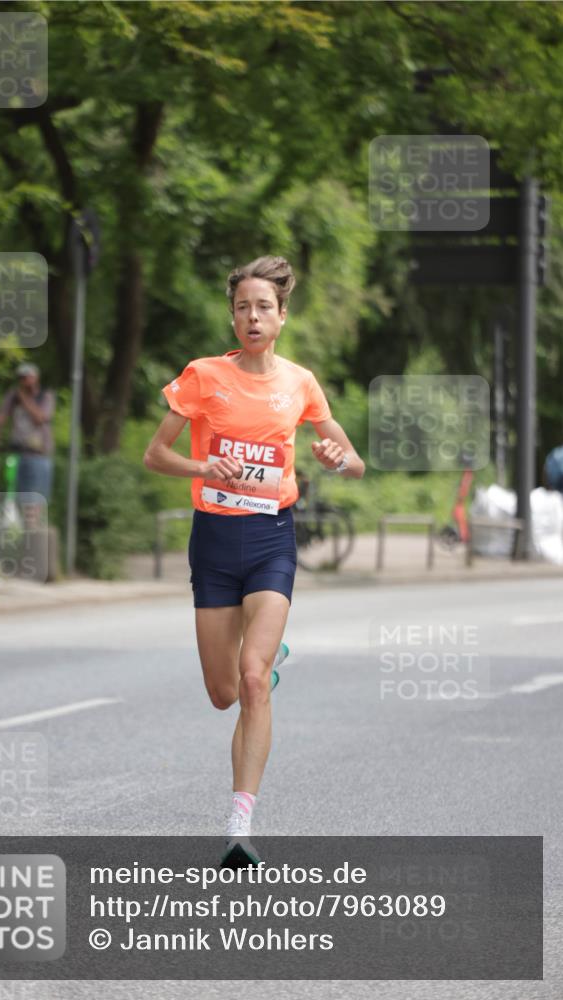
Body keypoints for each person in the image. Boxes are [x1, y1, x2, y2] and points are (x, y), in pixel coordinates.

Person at [143, 255, 365, 864]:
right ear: (233, 315)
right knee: (222, 692)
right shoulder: (203, 376)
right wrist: (200, 465)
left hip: (271, 539)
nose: (252, 316)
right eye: (242, 307)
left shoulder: (299, 383)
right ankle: (267, 663)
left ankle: (240, 826)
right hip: (213, 542)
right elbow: (155, 455)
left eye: (263, 307)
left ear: (282, 316)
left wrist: (333, 458)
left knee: (250, 679)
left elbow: (355, 461)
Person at [0, 363, 55, 527]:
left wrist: (24, 399)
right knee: (17, 496)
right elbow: (1, 417)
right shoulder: (13, 396)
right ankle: (22, 529)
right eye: (21, 378)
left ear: (36, 378)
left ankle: (33, 530)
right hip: (19, 453)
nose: (25, 382)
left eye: (28, 377)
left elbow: (40, 418)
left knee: (36, 499)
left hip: (39, 454)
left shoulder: (45, 396)